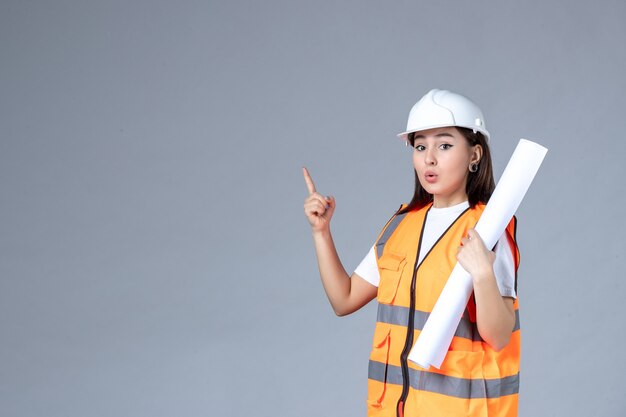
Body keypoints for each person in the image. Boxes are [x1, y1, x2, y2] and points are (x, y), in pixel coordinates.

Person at [302, 89, 521, 417]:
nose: (429, 158)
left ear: (475, 154)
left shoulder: (488, 228)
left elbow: (500, 335)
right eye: (420, 146)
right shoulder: (401, 226)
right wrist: (321, 232)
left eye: (444, 145)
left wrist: (483, 273)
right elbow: (343, 299)